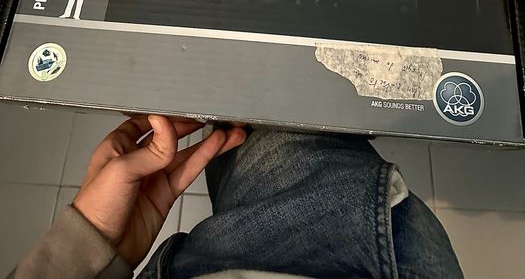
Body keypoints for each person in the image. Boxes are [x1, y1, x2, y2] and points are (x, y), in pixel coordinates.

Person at [10, 116, 463, 278]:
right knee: (272, 123)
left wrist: (90, 245)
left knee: (236, 136)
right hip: (343, 243)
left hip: (200, 263)